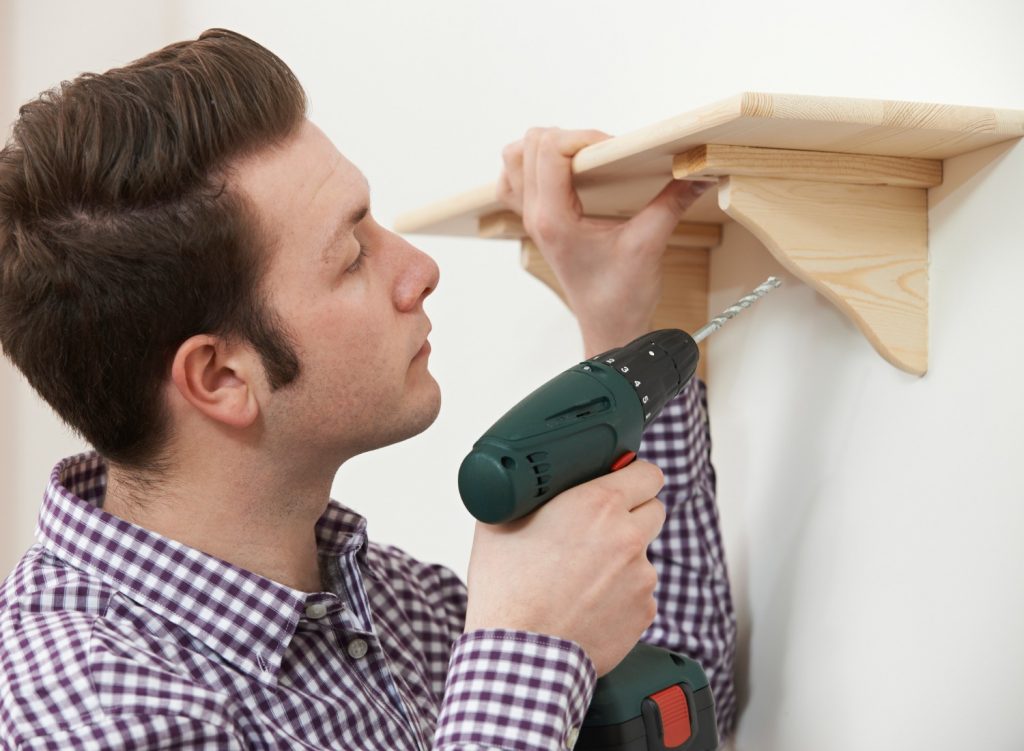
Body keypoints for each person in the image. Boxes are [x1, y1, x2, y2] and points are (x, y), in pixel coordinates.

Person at [0, 29, 736, 749]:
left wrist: (618, 327)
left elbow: (675, 699)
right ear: (222, 377)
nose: (419, 269)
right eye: (353, 255)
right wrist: (528, 644)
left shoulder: (392, 605)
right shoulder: (82, 701)